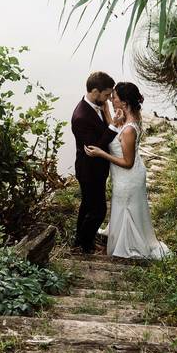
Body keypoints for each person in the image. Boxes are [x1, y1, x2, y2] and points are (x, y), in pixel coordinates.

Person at [84, 82, 170, 260]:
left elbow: (127, 162)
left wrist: (101, 154)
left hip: (128, 175)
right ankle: (121, 239)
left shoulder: (129, 129)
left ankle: (130, 247)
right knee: (124, 207)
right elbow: (116, 130)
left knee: (127, 209)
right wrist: (108, 111)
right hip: (125, 176)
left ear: (123, 102)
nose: (111, 99)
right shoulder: (130, 117)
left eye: (113, 97)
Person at [71, 71, 119, 254]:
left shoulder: (95, 106)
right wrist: (113, 126)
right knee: (98, 210)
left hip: (95, 169)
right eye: (106, 94)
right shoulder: (81, 116)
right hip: (89, 170)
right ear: (95, 91)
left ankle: (81, 241)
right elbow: (95, 148)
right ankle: (84, 246)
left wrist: (107, 115)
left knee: (87, 206)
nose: (108, 98)